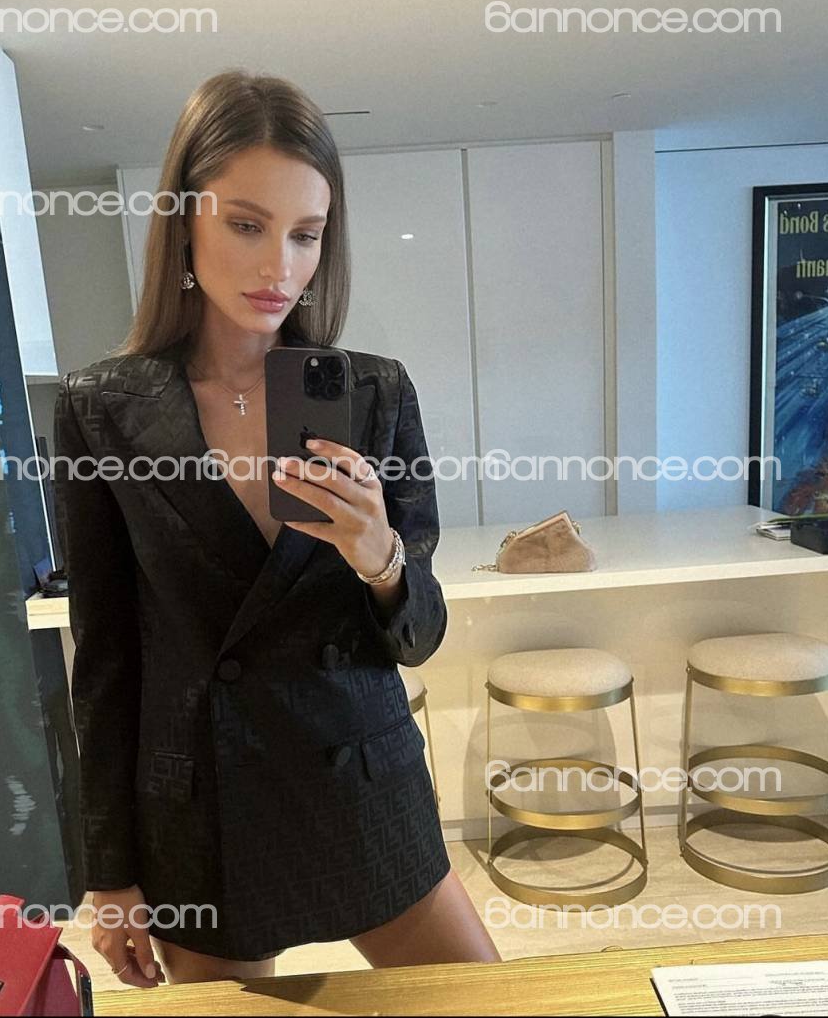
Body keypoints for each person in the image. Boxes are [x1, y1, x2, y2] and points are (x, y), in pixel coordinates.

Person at [53, 68, 501, 986]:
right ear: (185, 220)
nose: (280, 268)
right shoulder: (103, 409)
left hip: (361, 783)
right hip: (205, 811)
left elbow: (420, 635)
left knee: (490, 1003)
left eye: (306, 233)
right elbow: (105, 659)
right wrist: (111, 873)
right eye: (247, 224)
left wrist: (380, 556)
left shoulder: (374, 395)